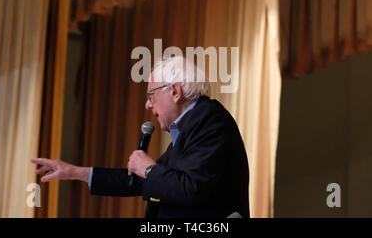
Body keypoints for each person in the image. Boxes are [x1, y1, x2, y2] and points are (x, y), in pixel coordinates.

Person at [31, 56, 250, 218]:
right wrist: (74, 172)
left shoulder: (210, 122)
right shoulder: (193, 125)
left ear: (175, 91)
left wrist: (148, 168)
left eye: (151, 95)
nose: (147, 104)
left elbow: (190, 189)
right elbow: (138, 182)